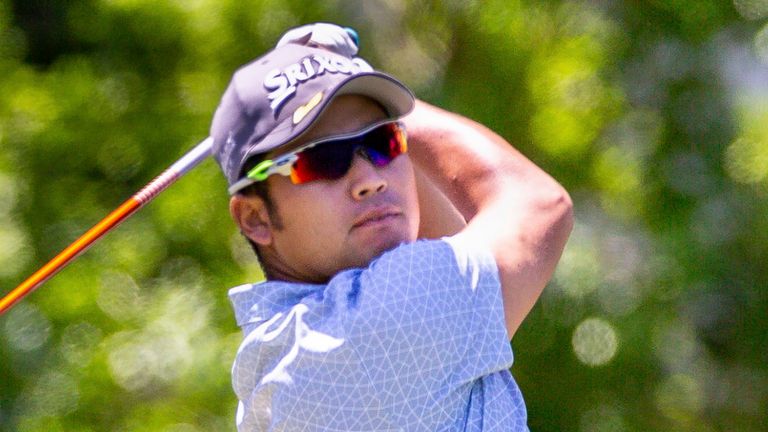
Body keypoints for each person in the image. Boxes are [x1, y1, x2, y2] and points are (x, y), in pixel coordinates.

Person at [209, 23, 573, 431]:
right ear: (255, 218)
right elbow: (538, 203)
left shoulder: (292, 351)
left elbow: (448, 247)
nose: (370, 179)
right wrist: (353, 77)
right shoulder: (367, 330)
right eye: (324, 158)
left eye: (384, 143)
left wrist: (331, 77)